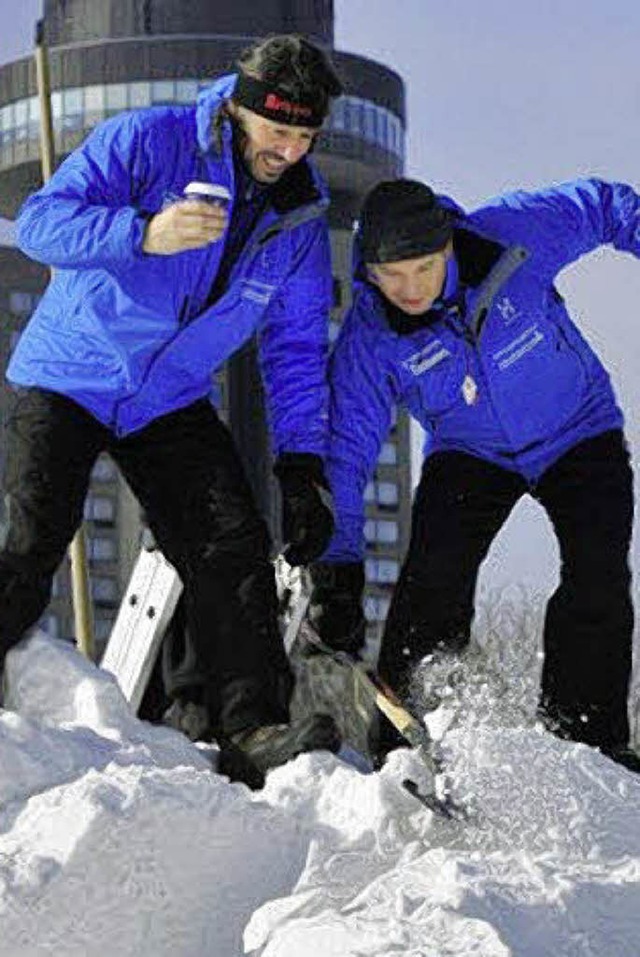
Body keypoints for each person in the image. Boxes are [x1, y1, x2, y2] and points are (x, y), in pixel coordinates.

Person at [0, 35, 343, 786]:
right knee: (32, 540)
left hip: (167, 397)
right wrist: (142, 233)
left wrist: (301, 463)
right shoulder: (148, 140)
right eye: (276, 131)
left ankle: (253, 727)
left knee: (234, 546)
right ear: (238, 110)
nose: (287, 151)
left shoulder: (300, 222)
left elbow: (292, 354)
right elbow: (42, 223)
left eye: (304, 136)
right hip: (72, 371)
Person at [310, 176, 640, 772]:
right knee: (433, 577)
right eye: (393, 276)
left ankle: (588, 746)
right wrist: (337, 567)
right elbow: (347, 451)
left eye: (424, 269)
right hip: (470, 449)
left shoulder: (514, 234)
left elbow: (607, 205)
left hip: (579, 428)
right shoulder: (371, 337)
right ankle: (406, 748)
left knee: (597, 575)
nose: (409, 290)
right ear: (370, 269)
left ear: (449, 248)